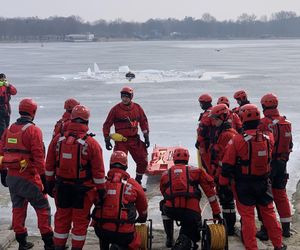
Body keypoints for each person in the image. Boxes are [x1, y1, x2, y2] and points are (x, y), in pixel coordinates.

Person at [219, 104, 286, 250]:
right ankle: (279, 245)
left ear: (242, 118)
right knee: (269, 213)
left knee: (248, 218)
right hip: (263, 182)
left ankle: (252, 247)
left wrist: (223, 184)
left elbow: (227, 164)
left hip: (244, 184)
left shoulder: (237, 140)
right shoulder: (269, 138)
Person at [45, 105, 106, 250]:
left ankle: (58, 246)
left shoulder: (57, 141)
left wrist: (49, 184)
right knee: (80, 223)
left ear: (71, 118)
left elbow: (49, 165)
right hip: (82, 191)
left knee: (61, 220)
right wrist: (101, 190)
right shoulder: (91, 144)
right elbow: (99, 172)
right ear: (86, 121)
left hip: (62, 187)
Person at [0, 98, 54, 250]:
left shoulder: (9, 129)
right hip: (28, 177)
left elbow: (1, 152)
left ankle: (22, 242)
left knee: (18, 208)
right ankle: (49, 243)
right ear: (33, 112)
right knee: (43, 208)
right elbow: (38, 157)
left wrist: (3, 173)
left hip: (12, 177)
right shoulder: (33, 130)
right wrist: (45, 180)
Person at [160, 147, 221, 249]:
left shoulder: (165, 174)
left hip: (171, 211)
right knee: (192, 235)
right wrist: (216, 212)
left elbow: (164, 194)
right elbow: (210, 194)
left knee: (163, 205)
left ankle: (169, 238)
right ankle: (186, 240)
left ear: (174, 159)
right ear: (188, 158)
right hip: (191, 212)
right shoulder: (197, 171)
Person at [92, 150, 148, 250]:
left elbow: (91, 199)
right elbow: (143, 204)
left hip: (101, 230)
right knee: (135, 242)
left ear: (110, 164)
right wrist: (143, 217)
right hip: (124, 232)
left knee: (105, 230)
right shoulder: (133, 184)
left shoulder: (101, 184)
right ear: (126, 165)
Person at [256, 93, 293, 240]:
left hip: (269, 164)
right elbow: (290, 145)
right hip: (282, 162)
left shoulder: (263, 123)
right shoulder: (286, 123)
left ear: (264, 106)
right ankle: (286, 229)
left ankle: (265, 230)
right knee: (281, 194)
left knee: (265, 197)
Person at [103, 86, 149, 185]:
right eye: (123, 96)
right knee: (117, 163)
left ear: (131, 97)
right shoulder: (115, 109)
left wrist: (146, 136)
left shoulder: (137, 108)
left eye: (127, 97)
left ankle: (138, 181)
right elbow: (107, 124)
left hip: (134, 140)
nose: (124, 99)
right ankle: (117, 183)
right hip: (121, 141)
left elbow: (143, 122)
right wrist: (107, 139)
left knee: (143, 160)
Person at [209, 104, 238, 235]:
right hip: (221, 172)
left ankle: (230, 228)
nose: (213, 121)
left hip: (227, 174)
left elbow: (228, 158)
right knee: (225, 200)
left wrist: (223, 176)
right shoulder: (221, 132)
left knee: (227, 200)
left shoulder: (228, 135)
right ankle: (229, 225)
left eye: (215, 118)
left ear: (222, 117)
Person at [195, 94, 213, 171]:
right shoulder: (214, 111)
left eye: (201, 103)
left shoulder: (207, 115)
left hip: (206, 143)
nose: (200, 105)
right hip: (211, 142)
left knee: (207, 164)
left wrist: (198, 142)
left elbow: (203, 130)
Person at [0, 73, 17, 138]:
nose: (3, 81)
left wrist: (8, 85)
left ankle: (4, 140)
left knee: (6, 126)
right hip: (1, 109)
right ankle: (2, 142)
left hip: (7, 110)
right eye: (2, 80)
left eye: (4, 79)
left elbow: (14, 92)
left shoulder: (7, 87)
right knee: (2, 128)